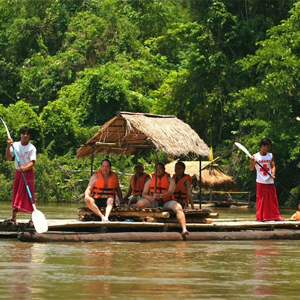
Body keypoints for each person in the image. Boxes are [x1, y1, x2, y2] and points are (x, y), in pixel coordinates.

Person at [133, 163, 189, 235]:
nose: (158, 170)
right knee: (140, 203)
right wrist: (148, 197)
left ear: (164, 170)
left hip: (166, 201)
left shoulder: (170, 180)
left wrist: (161, 195)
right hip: (153, 201)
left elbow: (170, 192)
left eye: (160, 168)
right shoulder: (150, 180)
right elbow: (144, 193)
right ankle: (133, 206)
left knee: (178, 207)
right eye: (156, 168)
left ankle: (184, 229)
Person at [5, 126, 37, 223]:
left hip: (28, 173)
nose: (25, 136)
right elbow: (7, 157)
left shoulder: (31, 148)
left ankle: (33, 218)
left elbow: (33, 162)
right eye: (23, 134)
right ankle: (14, 217)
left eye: (27, 134)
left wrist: (26, 168)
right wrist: (8, 146)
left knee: (29, 194)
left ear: (29, 136)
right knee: (16, 193)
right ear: (20, 135)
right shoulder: (15, 145)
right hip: (18, 172)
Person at [249, 137, 284, 222]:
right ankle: (260, 217)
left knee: (273, 199)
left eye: (269, 147)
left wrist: (273, 173)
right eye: (266, 147)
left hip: (270, 180)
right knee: (261, 200)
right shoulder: (255, 156)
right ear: (262, 146)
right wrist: (253, 162)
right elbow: (251, 168)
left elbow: (273, 166)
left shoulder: (270, 155)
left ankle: (276, 216)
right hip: (260, 181)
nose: (267, 149)